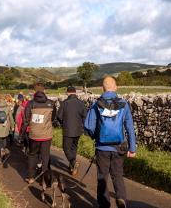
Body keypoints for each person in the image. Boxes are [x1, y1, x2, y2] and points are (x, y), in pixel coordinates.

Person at [84, 76, 136, 208]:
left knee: (102, 177)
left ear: (103, 88)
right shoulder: (124, 104)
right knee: (118, 175)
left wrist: (96, 136)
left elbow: (89, 126)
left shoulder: (97, 104)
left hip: (102, 148)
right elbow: (130, 127)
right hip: (118, 147)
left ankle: (104, 204)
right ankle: (121, 198)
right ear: (116, 87)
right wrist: (132, 148)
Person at [20, 81, 56, 184]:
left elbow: (26, 120)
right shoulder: (51, 103)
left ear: (34, 91)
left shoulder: (30, 104)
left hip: (34, 135)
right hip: (46, 135)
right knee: (45, 156)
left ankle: (31, 177)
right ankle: (45, 180)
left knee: (32, 155)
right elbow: (53, 119)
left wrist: (22, 135)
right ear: (44, 90)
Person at [57, 86, 87, 175]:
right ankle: (72, 167)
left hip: (67, 129)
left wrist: (62, 123)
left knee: (66, 148)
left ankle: (73, 162)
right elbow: (85, 116)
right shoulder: (81, 103)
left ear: (68, 92)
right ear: (75, 92)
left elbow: (59, 116)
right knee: (74, 148)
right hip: (78, 130)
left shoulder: (65, 103)